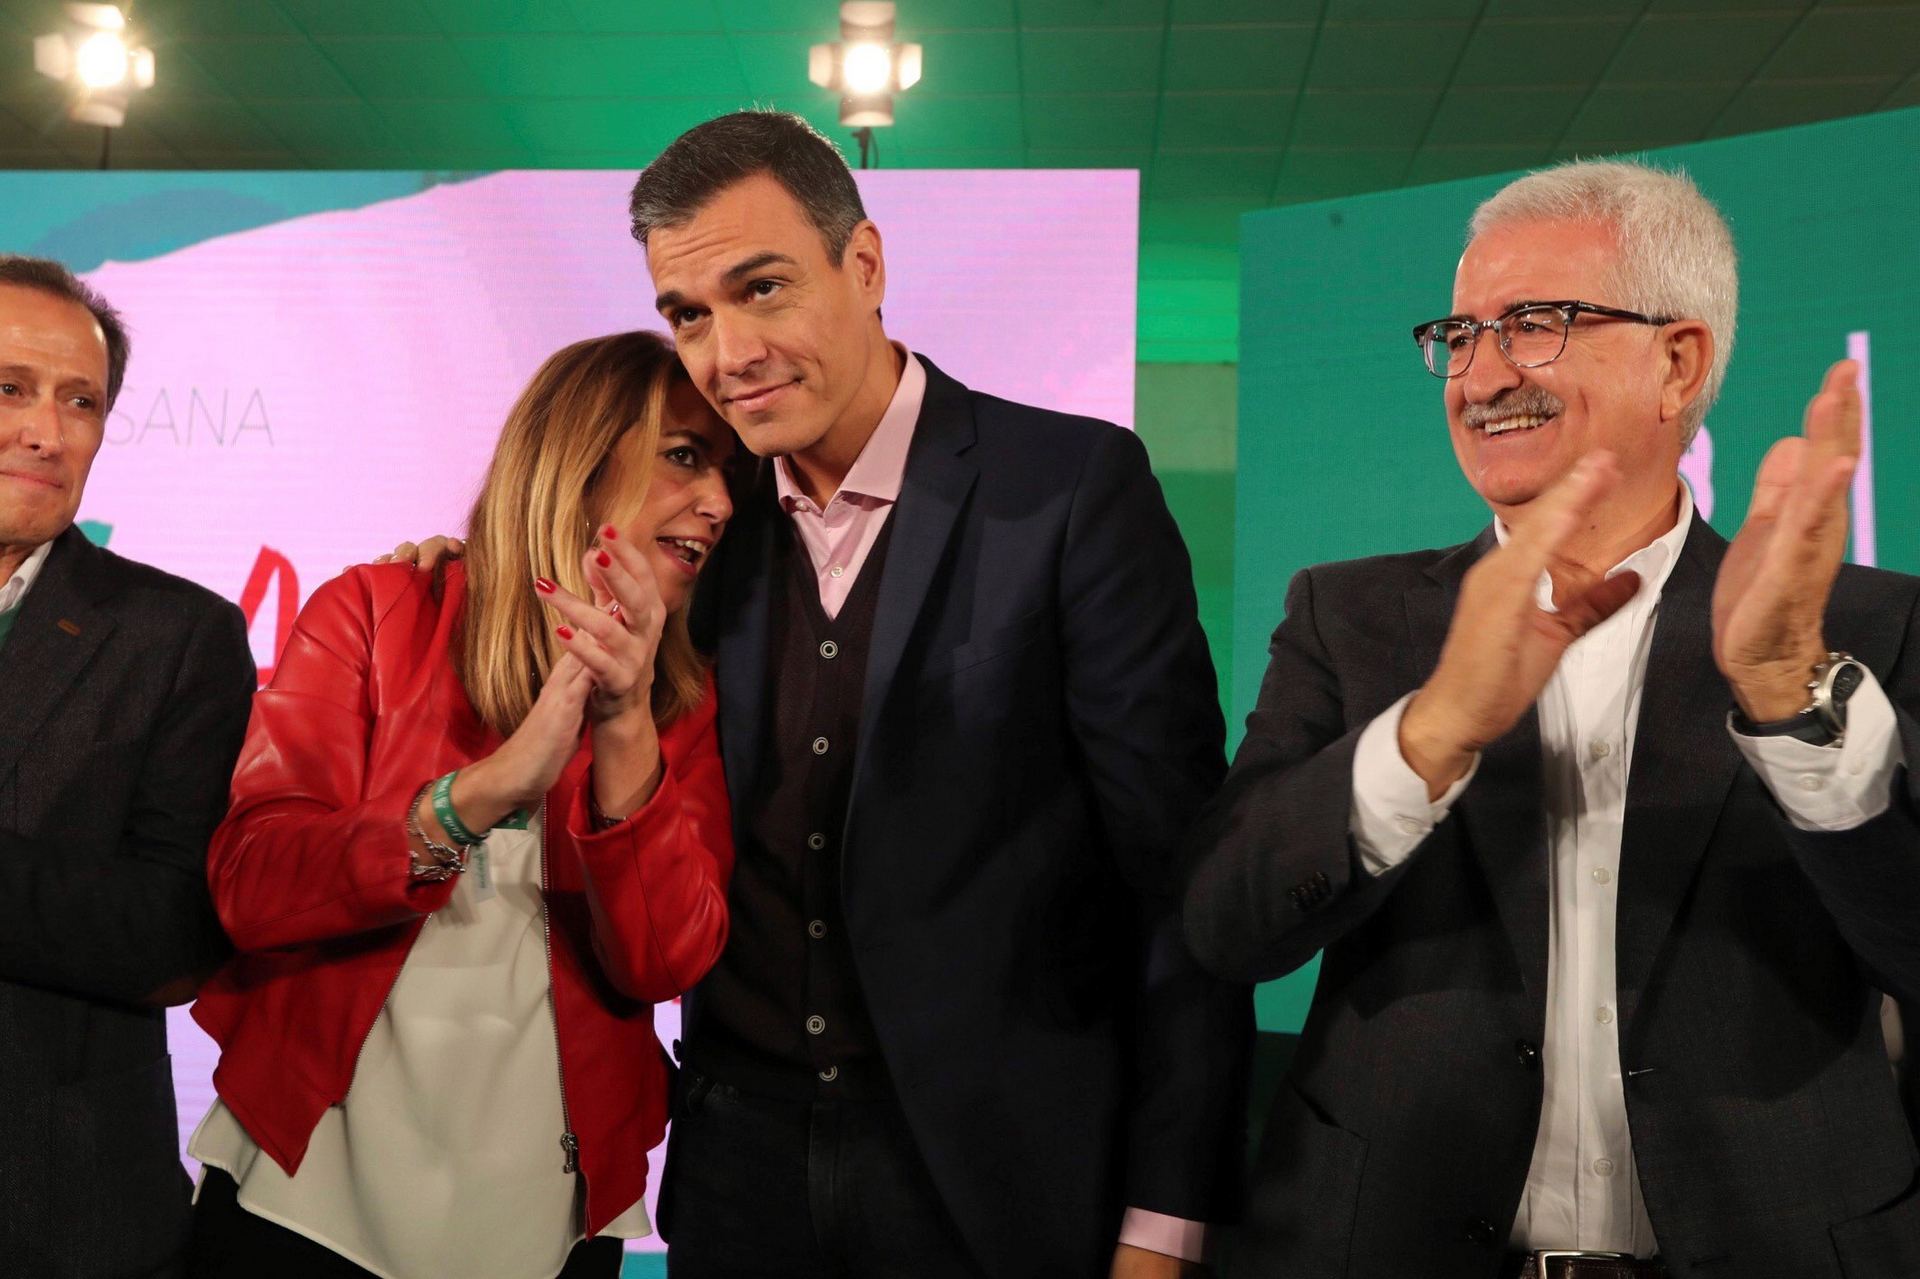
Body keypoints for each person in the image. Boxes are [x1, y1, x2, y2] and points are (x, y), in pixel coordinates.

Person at [1182, 159, 1920, 1278]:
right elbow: (1225, 923)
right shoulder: (1349, 613)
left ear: (1678, 362)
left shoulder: (1860, 626)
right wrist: (1429, 734)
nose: (1479, 376)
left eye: (1533, 325)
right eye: (1459, 334)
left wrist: (1785, 695)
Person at [633, 109, 1249, 1279]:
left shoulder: (1069, 487)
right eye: (689, 314)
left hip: (997, 1185)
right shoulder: (702, 520)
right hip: (733, 1179)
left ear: (862, 265)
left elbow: (1179, 884)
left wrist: (1164, 1222)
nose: (729, 353)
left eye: (762, 288)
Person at [185, 331, 736, 1279]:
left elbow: (663, 962)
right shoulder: (374, 610)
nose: (721, 503)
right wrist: (477, 796)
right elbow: (253, 883)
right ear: (578, 457)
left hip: (550, 1226)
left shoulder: (680, 703)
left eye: (731, 475)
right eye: (685, 456)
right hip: (299, 1195)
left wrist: (625, 724)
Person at [0, 255, 255, 1278]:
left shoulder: (177, 634)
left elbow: (171, 931)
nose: (46, 431)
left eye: (81, 402)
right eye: (9, 388)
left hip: (57, 1206)